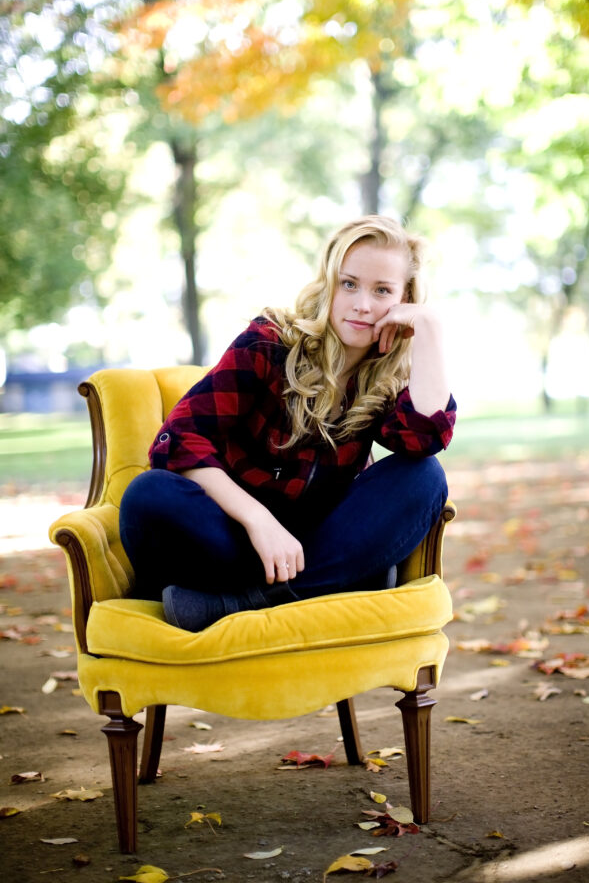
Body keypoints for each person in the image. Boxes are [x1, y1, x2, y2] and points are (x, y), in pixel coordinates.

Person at [119, 215, 456, 632]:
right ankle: (338, 584)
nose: (362, 304)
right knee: (150, 494)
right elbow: (180, 439)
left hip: (315, 546)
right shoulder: (269, 343)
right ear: (328, 283)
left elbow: (423, 439)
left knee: (424, 476)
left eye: (382, 290)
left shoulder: (388, 382)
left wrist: (430, 329)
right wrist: (259, 521)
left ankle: (243, 604)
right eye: (349, 283)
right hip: (232, 538)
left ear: (405, 299)